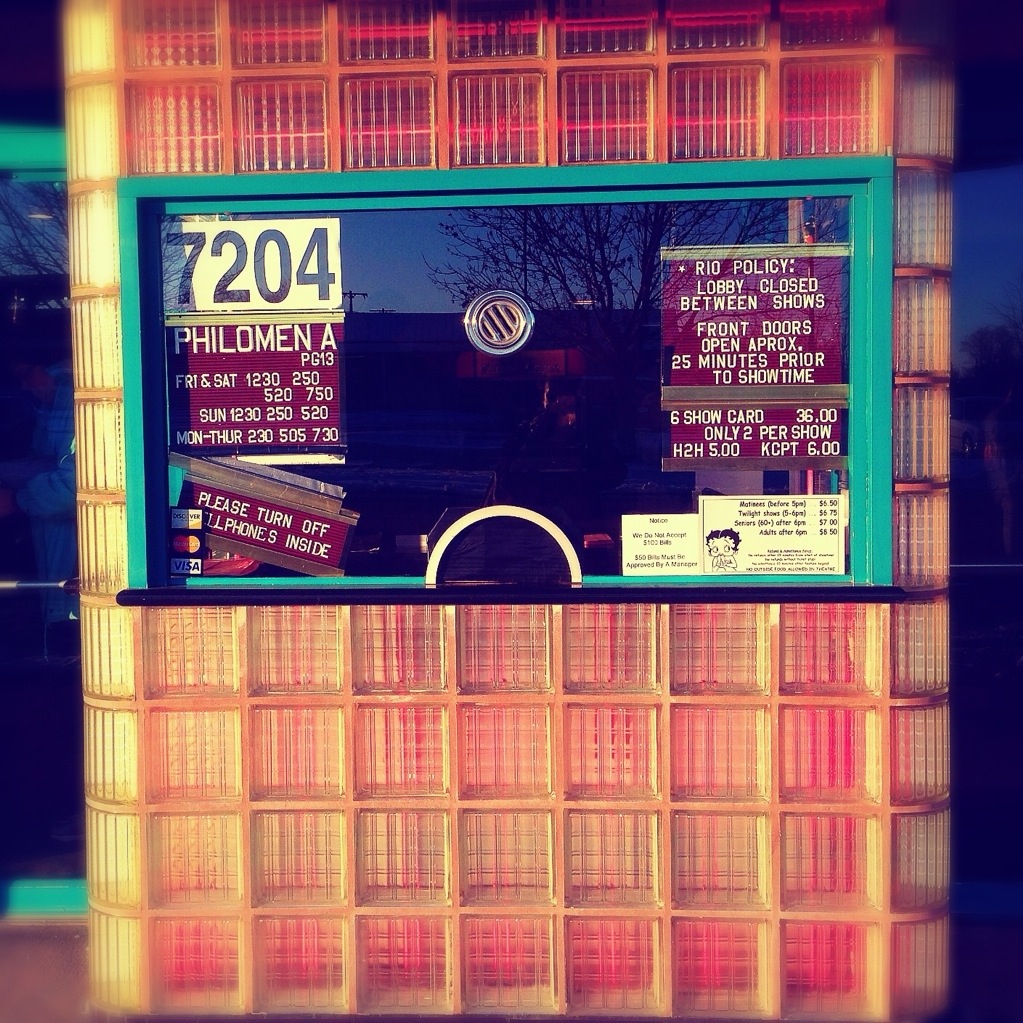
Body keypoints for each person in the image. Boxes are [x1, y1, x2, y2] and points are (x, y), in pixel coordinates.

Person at [0, 354, 78, 655]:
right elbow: (41, 465)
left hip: (76, 587)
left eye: (27, 375)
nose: (25, 386)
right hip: (56, 580)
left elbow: (76, 487)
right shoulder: (50, 410)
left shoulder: (79, 406)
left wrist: (17, 500)